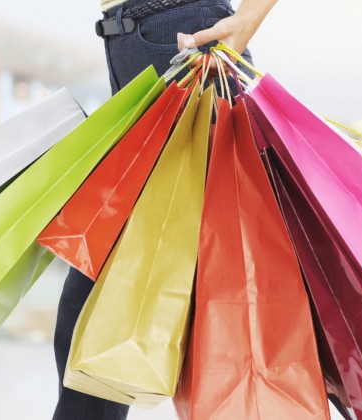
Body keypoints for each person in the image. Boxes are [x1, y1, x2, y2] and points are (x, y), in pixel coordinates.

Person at [52, 1, 277, 419]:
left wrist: (249, 18)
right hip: (138, 45)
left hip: (184, 39)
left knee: (96, 316)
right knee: (97, 324)